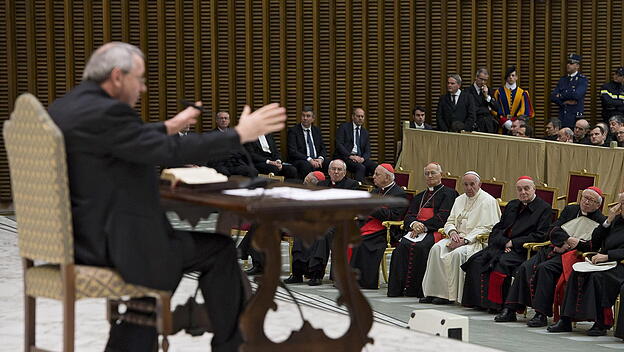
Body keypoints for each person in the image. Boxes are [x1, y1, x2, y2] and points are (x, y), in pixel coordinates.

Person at [47, 42, 287, 352]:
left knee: (164, 259)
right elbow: (168, 151)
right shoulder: (109, 112)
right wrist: (240, 133)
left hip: (77, 237)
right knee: (219, 249)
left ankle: (130, 342)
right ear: (118, 76)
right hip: (111, 243)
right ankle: (231, 346)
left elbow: (122, 144)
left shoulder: (66, 106)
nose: (144, 88)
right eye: (141, 78)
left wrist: (170, 125)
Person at [494, 187, 606, 326]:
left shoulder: (601, 221)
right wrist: (565, 240)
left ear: (598, 205)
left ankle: (541, 314)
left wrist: (576, 244)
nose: (586, 202)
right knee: (524, 267)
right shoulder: (570, 210)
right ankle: (510, 309)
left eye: (591, 200)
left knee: (544, 269)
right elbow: (553, 229)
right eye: (584, 198)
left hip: (573, 256)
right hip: (554, 249)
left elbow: (593, 245)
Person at [461, 176, 553, 312]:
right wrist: (505, 243)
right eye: (519, 189)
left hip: (524, 250)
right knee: (476, 260)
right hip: (503, 246)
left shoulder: (544, 208)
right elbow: (498, 228)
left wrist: (513, 243)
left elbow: (540, 235)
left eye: (526, 189)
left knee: (501, 264)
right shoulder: (512, 205)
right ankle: (479, 302)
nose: (523, 192)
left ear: (534, 189)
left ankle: (498, 305)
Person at [548, 193, 624, 336]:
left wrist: (608, 256)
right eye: (621, 204)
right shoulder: (616, 220)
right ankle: (566, 320)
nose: (621, 207)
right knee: (576, 272)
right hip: (606, 262)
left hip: (620, 265)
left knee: (597, 278)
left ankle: (601, 323)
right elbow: (596, 240)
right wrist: (607, 221)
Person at [420, 171, 501, 304]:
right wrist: (452, 232)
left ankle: (450, 296)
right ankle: (434, 292)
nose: (469, 188)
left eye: (472, 184)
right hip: (455, 238)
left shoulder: (488, 201)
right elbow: (450, 221)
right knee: (436, 249)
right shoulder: (459, 199)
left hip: (475, 242)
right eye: (466, 185)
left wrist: (465, 240)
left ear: (479, 184)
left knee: (457, 254)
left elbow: (488, 228)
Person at [387, 162, 458, 297]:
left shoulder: (449, 194)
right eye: (427, 174)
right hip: (416, 230)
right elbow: (409, 215)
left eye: (433, 173)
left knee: (422, 247)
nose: (430, 176)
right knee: (401, 248)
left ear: (440, 175)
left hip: (435, 230)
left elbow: (444, 216)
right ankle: (398, 289)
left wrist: (424, 227)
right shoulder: (419, 196)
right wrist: (414, 224)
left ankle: (418, 290)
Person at [286, 161, 358, 286]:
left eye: (339, 169)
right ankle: (297, 273)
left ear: (344, 172)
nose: (336, 172)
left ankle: (316, 274)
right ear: (329, 171)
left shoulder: (352, 185)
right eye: (333, 169)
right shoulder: (322, 184)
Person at [350, 164, 408, 289]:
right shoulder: (375, 191)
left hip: (386, 230)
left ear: (387, 177)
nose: (373, 177)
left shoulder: (399, 194)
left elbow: (393, 216)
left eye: (377, 174)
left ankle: (362, 281)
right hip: (368, 225)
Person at [210, 111, 258, 177]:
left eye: (226, 118)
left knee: (253, 171)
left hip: (235, 163)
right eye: (221, 118)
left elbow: (240, 151)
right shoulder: (211, 135)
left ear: (229, 121)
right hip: (220, 164)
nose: (223, 120)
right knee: (224, 173)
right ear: (216, 120)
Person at [334, 108, 377, 182]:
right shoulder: (344, 127)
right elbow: (339, 145)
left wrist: (362, 159)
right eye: (358, 116)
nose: (360, 118)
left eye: (362, 116)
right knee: (360, 167)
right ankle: (358, 189)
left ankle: (376, 189)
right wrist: (351, 156)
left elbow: (368, 151)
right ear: (353, 117)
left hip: (360, 158)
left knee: (375, 166)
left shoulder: (365, 132)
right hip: (346, 157)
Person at [287, 107, 329, 178]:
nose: (305, 118)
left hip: (316, 159)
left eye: (308, 116)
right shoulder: (293, 131)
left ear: (313, 119)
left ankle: (327, 186)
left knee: (331, 163)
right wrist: (309, 159)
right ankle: (307, 187)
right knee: (306, 165)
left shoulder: (316, 130)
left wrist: (320, 159)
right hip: (301, 160)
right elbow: (293, 151)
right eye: (303, 115)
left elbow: (323, 148)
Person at [550, 54, 588, 129]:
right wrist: (563, 103)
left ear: (577, 66)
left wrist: (561, 96)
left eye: (571, 63)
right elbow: (553, 96)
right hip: (563, 114)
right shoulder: (563, 80)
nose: (568, 65)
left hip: (575, 115)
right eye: (567, 63)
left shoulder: (582, 80)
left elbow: (577, 95)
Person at [493, 66, 535, 133]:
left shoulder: (522, 93)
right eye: (509, 75)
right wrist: (504, 121)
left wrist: (515, 122)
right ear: (506, 77)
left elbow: (525, 112)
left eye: (513, 75)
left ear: (516, 77)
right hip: (502, 125)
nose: (511, 77)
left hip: (518, 127)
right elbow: (494, 109)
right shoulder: (498, 92)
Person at [466, 68, 500, 133]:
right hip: (475, 123)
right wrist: (485, 110)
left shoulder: (489, 90)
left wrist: (487, 96)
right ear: (476, 77)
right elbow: (471, 109)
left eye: (485, 80)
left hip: (488, 125)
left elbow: (496, 107)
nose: (483, 82)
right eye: (481, 79)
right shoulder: (467, 91)